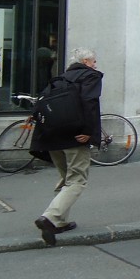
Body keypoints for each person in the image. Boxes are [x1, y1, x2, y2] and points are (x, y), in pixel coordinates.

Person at [32, 47, 103, 246]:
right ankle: (50, 217)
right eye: (94, 61)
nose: (96, 65)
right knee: (77, 180)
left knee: (66, 178)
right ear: (87, 61)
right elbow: (89, 103)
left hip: (53, 137)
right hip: (75, 137)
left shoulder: (61, 78)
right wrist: (89, 132)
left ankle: (60, 222)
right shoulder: (90, 76)